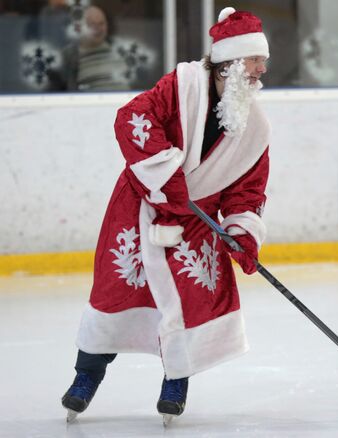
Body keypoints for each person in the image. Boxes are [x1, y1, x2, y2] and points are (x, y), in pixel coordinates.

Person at [61, 6, 270, 423]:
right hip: (141, 204)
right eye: (254, 60)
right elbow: (133, 118)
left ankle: (176, 382)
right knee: (115, 291)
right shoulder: (182, 86)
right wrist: (165, 172)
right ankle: (87, 375)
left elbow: (247, 190)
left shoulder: (255, 126)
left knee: (189, 301)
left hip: (196, 221)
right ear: (228, 62)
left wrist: (243, 232)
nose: (262, 70)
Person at [60, 5, 130, 91]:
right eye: (91, 24)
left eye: (101, 23)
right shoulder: (70, 56)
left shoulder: (121, 50)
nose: (98, 29)